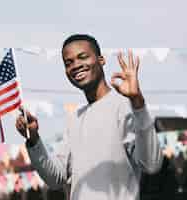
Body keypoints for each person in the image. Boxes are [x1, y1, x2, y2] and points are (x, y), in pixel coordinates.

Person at [15, 34, 163, 200]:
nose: (76, 65)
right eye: (68, 63)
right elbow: (55, 178)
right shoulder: (75, 118)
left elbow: (151, 164)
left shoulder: (125, 106)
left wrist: (138, 102)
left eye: (83, 57)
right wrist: (34, 139)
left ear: (101, 60)